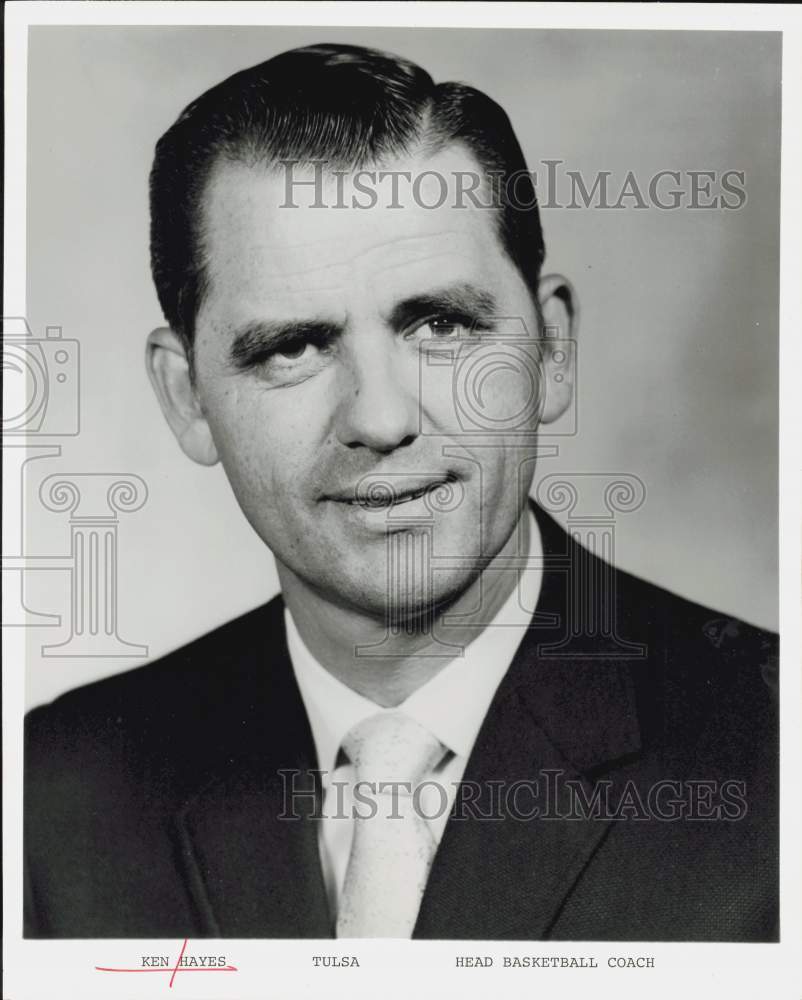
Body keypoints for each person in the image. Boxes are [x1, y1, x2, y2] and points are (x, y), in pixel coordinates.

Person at [24, 43, 778, 941]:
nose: (380, 418)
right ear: (188, 397)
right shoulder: (48, 798)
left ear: (553, 350)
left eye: (442, 324)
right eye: (292, 347)